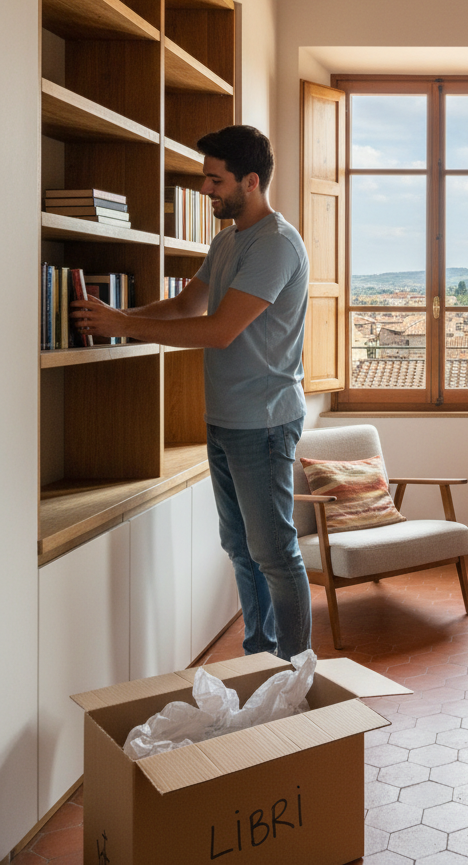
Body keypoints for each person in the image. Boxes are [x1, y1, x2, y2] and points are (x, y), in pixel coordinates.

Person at [72, 125, 312, 662]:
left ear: (250, 182)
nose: (205, 189)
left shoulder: (274, 244)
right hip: (226, 420)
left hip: (265, 423)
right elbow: (186, 306)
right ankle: (260, 659)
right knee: (242, 551)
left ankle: (295, 674)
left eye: (214, 179)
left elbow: (219, 329)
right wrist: (117, 318)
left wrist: (125, 325)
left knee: (274, 554)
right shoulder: (227, 240)